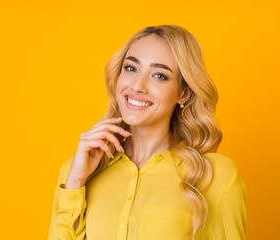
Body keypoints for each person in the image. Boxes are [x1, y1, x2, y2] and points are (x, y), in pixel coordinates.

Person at [47, 25, 247, 240]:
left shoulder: (215, 175)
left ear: (184, 94)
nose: (137, 86)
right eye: (131, 68)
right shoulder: (78, 169)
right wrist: (76, 181)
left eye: (159, 75)